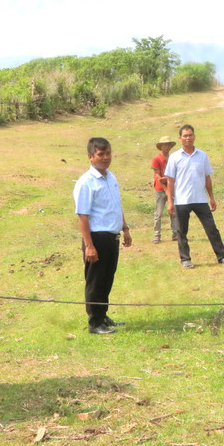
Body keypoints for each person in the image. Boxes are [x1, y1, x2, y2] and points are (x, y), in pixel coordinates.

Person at [73, 137, 133, 334]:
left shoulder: (111, 177)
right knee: (96, 280)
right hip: (96, 238)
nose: (105, 157)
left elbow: (116, 206)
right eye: (100, 154)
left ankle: (103, 315)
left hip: (112, 236)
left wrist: (125, 229)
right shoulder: (86, 183)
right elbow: (82, 216)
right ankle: (95, 322)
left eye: (108, 153)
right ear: (90, 157)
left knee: (107, 278)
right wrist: (89, 245)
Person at [165, 124, 224, 269]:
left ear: (194, 136)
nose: (188, 138)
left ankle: (222, 257)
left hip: (201, 199)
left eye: (190, 135)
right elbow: (170, 180)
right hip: (182, 201)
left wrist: (212, 197)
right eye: (185, 136)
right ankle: (185, 259)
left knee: (212, 229)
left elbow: (207, 177)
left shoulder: (202, 155)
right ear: (180, 138)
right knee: (181, 232)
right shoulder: (174, 157)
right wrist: (170, 201)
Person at [151, 136, 179, 244]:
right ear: (161, 146)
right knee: (158, 213)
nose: (167, 146)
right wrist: (166, 189)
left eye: (168, 144)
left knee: (174, 212)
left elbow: (175, 175)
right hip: (160, 189)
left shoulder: (173, 158)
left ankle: (175, 233)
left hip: (171, 188)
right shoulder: (156, 159)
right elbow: (158, 177)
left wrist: (166, 179)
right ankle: (157, 235)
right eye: (164, 144)